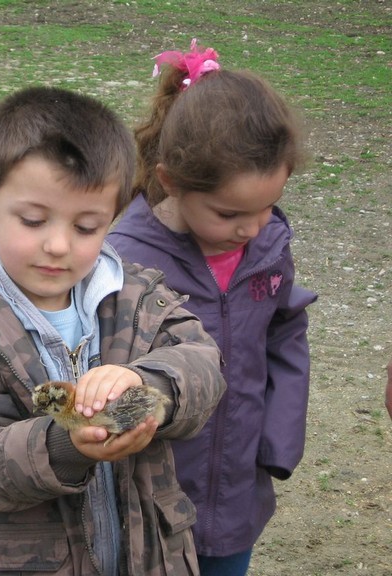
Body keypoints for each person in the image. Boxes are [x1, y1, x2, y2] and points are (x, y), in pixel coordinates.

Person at [0, 85, 227, 576]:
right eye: (34, 220)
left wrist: (147, 385)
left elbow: (204, 366)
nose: (58, 245)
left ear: (114, 216)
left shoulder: (139, 297)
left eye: (86, 227)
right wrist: (65, 446)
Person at [107, 40, 318, 575]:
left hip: (238, 489)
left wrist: (278, 440)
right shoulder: (125, 259)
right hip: (149, 492)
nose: (250, 228)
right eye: (229, 214)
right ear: (173, 183)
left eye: (267, 207)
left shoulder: (268, 245)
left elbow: (285, 332)